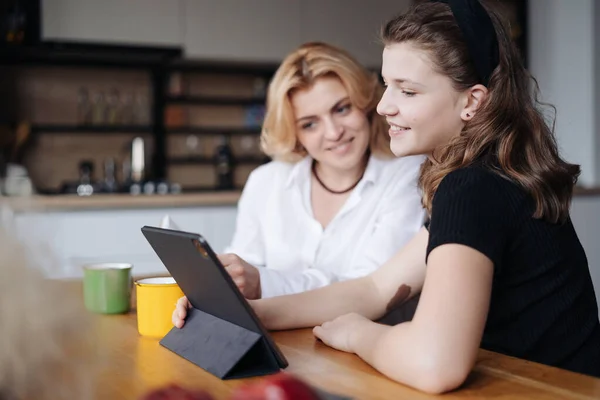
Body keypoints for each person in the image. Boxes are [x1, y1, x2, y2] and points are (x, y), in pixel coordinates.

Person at [174, 0, 600, 393]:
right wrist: (253, 314)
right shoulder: (487, 177)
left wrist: (358, 333)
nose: (382, 107)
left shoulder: (472, 187)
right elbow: (377, 287)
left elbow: (435, 365)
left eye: (407, 91)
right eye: (387, 86)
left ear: (472, 102)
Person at [217, 42, 425, 299]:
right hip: (277, 337)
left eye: (342, 109)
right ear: (295, 134)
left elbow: (371, 288)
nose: (333, 133)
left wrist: (263, 282)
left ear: (365, 104)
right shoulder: (266, 181)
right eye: (310, 124)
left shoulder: (408, 175)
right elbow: (242, 271)